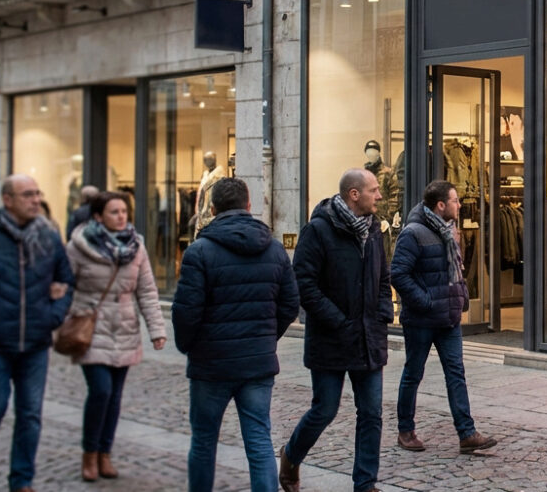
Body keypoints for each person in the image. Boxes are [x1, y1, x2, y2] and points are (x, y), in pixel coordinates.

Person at [173, 177, 300, 492]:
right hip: (256, 363)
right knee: (258, 440)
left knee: (204, 440)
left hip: (211, 363)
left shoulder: (199, 251)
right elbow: (290, 304)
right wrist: (266, 339)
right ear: (248, 206)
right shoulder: (273, 248)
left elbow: (186, 311)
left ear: (212, 209)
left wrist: (189, 346)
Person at [280, 169, 393, 492]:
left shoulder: (372, 229)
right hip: (330, 337)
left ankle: (365, 483)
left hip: (369, 336)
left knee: (371, 413)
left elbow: (382, 277)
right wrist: (339, 321)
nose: (380, 196)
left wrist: (383, 313)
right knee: (325, 409)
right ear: (354, 194)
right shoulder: (318, 230)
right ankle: (291, 455)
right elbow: (303, 284)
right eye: (374, 190)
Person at [66, 191, 167, 481]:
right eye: (114, 211)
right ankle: (89, 453)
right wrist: (61, 317)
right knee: (101, 391)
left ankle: (105, 454)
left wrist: (157, 330)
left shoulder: (136, 247)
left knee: (114, 396)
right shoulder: (78, 246)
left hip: (124, 328)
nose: (121, 216)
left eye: (124, 211)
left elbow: (147, 291)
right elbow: (63, 284)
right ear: (98, 216)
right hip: (91, 327)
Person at [393, 180, 498, 454]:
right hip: (421, 319)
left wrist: (460, 296)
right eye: (455, 200)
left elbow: (456, 270)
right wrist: (425, 301)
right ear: (441, 205)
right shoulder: (413, 233)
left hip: (448, 318)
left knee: (456, 373)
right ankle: (405, 430)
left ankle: (467, 433)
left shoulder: (450, 231)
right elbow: (399, 275)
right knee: (413, 373)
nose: (460, 205)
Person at [0, 175, 75, 492]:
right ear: (7, 199)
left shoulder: (48, 237)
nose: (36, 199)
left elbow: (67, 281)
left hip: (36, 343)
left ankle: (21, 481)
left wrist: (53, 315)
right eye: (27, 195)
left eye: (38, 193)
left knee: (30, 415)